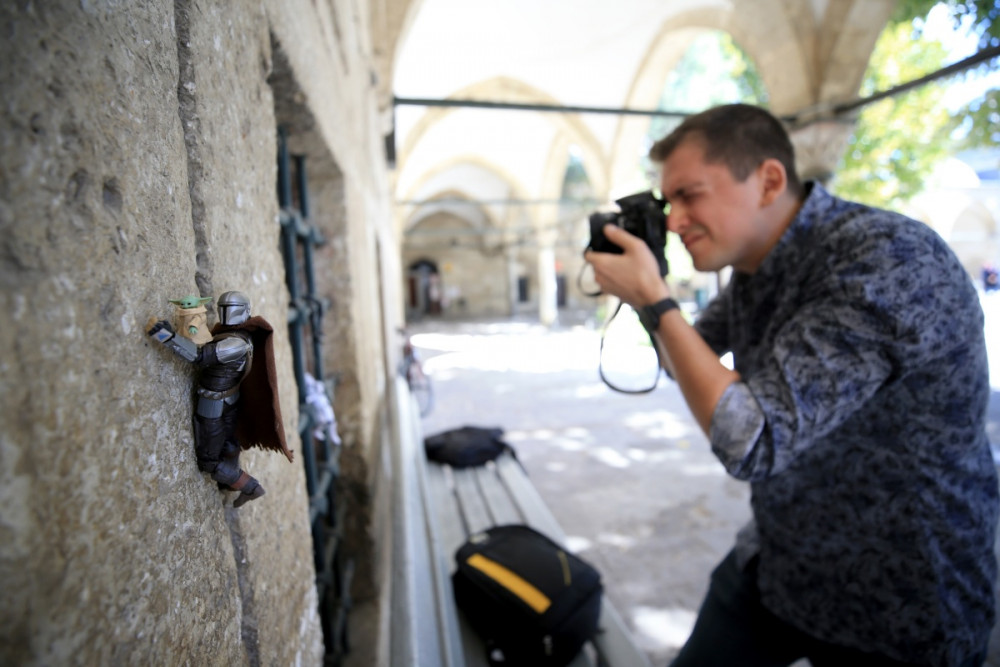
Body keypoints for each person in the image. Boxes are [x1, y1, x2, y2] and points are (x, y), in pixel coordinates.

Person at [585, 104, 998, 667]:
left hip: (902, 600)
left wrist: (657, 302)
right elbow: (684, 359)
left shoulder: (888, 258)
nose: (675, 220)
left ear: (769, 180)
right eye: (667, 203)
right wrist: (646, 297)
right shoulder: (760, 265)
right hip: (787, 564)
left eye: (690, 195)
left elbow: (751, 440)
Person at [148, 291, 294, 507]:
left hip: (214, 403)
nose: (226, 314)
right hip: (228, 400)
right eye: (223, 308)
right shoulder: (241, 335)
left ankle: (250, 486)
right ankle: (231, 481)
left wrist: (165, 336)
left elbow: (198, 356)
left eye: (229, 309)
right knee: (229, 440)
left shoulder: (235, 343)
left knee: (209, 461)